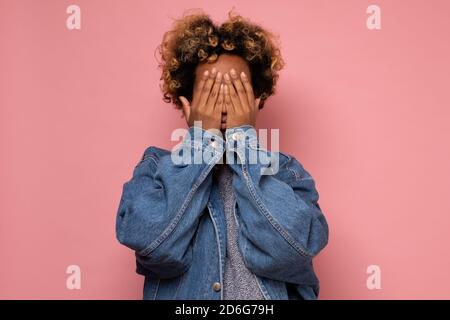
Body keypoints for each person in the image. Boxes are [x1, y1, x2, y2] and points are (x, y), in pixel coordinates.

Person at [115, 9, 329, 300]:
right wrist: (202, 141)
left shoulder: (287, 173)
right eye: (211, 92)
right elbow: (157, 248)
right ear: (187, 101)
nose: (224, 104)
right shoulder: (154, 170)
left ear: (256, 100)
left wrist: (244, 140)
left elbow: (290, 251)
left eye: (236, 91)